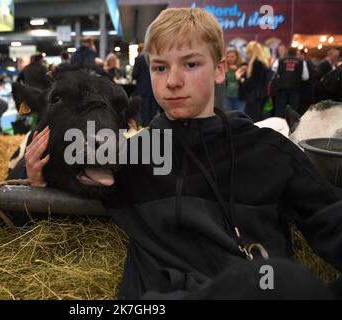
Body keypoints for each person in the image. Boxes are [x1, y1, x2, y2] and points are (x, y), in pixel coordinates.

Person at [25, 8, 342, 299]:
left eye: (190, 64)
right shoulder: (130, 156)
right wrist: (36, 181)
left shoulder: (269, 152)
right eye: (160, 68)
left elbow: (331, 221)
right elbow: (58, 176)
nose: (173, 82)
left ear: (220, 70)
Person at [271, 47, 309, 118]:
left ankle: (278, 128)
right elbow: (305, 77)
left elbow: (273, 71)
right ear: (296, 53)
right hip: (295, 90)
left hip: (281, 89)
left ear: (287, 52)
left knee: (280, 110)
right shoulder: (302, 62)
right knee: (293, 112)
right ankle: (291, 128)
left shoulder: (279, 60)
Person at [237, 41, 270, 122]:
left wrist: (240, 78)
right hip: (260, 96)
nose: (247, 55)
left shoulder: (256, 63)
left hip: (254, 97)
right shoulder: (263, 62)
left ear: (251, 52)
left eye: (247, 52)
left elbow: (251, 84)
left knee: (251, 120)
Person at [132, 43, 161, 126]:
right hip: (154, 89)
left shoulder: (138, 59)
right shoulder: (153, 58)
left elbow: (135, 74)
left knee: (145, 114)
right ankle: (153, 129)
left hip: (142, 90)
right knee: (153, 113)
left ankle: (146, 132)